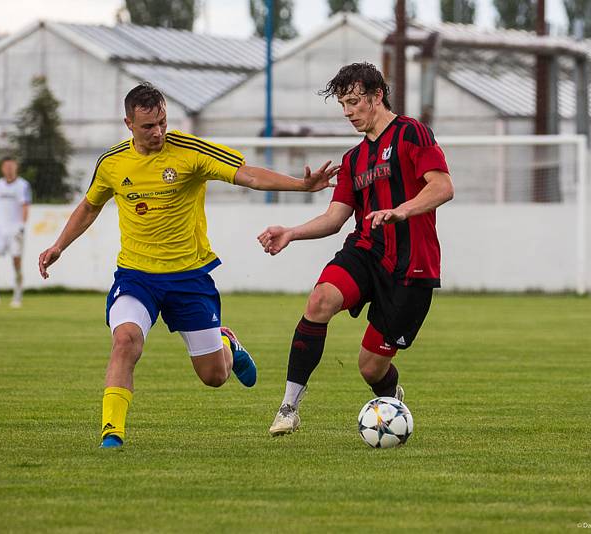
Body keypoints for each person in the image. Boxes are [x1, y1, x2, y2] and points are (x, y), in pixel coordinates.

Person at [38, 82, 339, 449]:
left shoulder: (190, 151)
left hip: (189, 278)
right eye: (148, 126)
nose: (158, 132)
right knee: (125, 341)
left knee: (214, 376)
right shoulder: (113, 163)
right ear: (128, 124)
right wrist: (58, 246)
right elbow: (89, 206)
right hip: (136, 277)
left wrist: (301, 186)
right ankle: (112, 433)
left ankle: (228, 343)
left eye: (162, 122)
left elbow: (248, 175)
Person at [258, 62, 454, 436]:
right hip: (365, 252)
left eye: (353, 102)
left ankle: (389, 396)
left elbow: (442, 187)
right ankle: (289, 407)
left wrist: (401, 211)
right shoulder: (353, 160)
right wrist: (291, 232)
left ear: (377, 96)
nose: (348, 112)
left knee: (370, 367)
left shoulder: (412, 133)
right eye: (343, 105)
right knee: (319, 302)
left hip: (411, 265)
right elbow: (335, 218)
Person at [0, 156, 31, 309]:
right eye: (6, 166)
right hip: (0, 230)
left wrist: (22, 226)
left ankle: (17, 297)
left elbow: (25, 207)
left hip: (15, 230)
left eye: (12, 166)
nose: (9, 169)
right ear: (2, 168)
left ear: (16, 168)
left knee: (16, 262)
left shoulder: (23, 185)